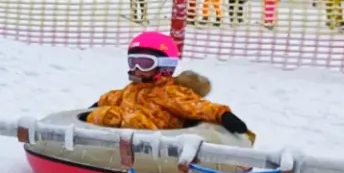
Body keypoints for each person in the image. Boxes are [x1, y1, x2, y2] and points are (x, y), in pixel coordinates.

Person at [86, 32, 252, 135]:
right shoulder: (131, 89)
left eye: (144, 63)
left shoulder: (170, 92)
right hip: (127, 138)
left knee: (133, 119)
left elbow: (197, 106)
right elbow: (112, 97)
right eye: (133, 62)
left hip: (158, 139)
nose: (137, 69)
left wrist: (223, 115)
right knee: (105, 113)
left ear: (165, 66)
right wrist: (95, 106)